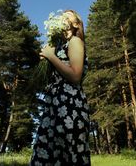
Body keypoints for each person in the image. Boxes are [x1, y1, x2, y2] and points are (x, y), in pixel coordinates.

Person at [30, 10, 91, 166]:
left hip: (70, 104)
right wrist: (46, 60)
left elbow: (76, 76)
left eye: (68, 14)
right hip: (54, 103)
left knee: (69, 153)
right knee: (47, 152)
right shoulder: (59, 46)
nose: (63, 15)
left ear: (76, 24)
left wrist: (51, 57)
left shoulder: (76, 41)